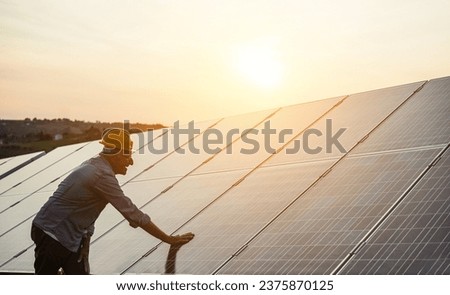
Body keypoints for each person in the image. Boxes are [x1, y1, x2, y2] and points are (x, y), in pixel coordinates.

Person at [31, 128, 194, 274]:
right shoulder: (101, 175)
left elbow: (86, 211)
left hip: (69, 237)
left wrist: (84, 243)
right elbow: (132, 213)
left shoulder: (95, 165)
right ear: (116, 154)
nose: (131, 161)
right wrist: (168, 239)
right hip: (52, 234)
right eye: (128, 155)